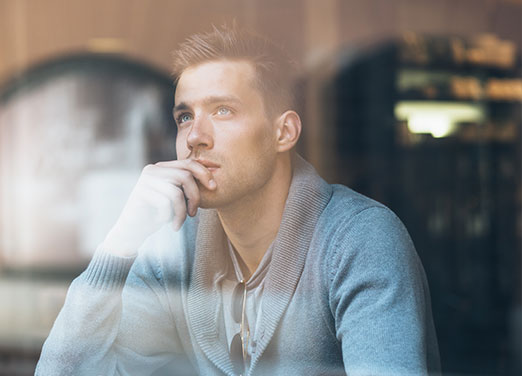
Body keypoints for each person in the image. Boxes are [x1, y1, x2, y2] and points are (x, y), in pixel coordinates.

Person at [36, 25, 441, 376]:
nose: (195, 136)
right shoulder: (175, 250)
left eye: (223, 110)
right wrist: (121, 243)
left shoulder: (358, 240)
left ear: (283, 133)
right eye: (185, 116)